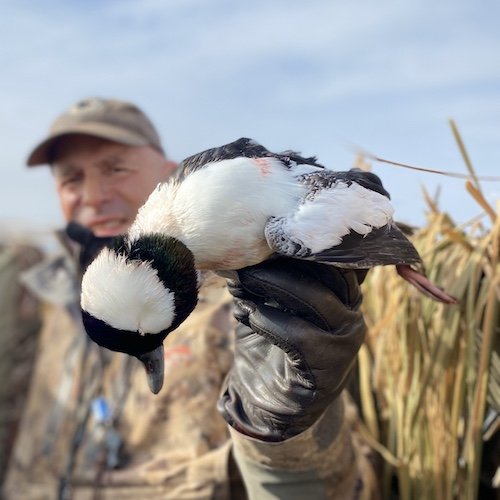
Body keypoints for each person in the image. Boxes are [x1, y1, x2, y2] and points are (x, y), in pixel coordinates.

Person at [1, 97, 378, 499]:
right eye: (71, 179)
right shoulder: (40, 296)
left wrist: (283, 430)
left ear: (168, 176)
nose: (93, 197)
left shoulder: (251, 301)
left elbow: (354, 489)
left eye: (115, 168)